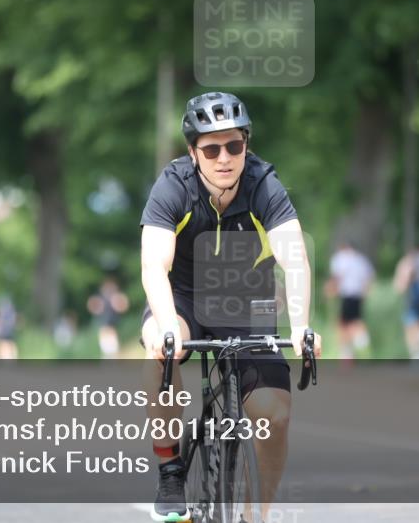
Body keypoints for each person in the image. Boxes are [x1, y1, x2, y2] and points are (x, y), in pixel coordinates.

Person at [139, 92, 322, 522]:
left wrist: (301, 326)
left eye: (235, 146)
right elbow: (154, 264)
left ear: (247, 145)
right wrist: (167, 327)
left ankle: (256, 514)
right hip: (181, 294)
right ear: (192, 152)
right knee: (160, 348)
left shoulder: (262, 184)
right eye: (212, 148)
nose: (225, 158)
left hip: (244, 297)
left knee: (274, 416)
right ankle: (169, 469)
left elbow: (294, 257)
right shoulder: (173, 186)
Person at [326, 241, 374, 361]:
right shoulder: (361, 260)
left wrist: (331, 289)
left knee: (344, 324)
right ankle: (354, 349)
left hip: (346, 294)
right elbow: (368, 278)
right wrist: (364, 293)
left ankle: (354, 348)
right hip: (357, 295)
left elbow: (338, 277)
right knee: (353, 320)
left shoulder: (340, 258)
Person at [87, 274, 130, 358]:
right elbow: (91, 305)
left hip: (112, 330)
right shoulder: (101, 299)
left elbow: (124, 305)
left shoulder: (114, 298)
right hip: (105, 330)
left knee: (113, 354)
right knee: (109, 354)